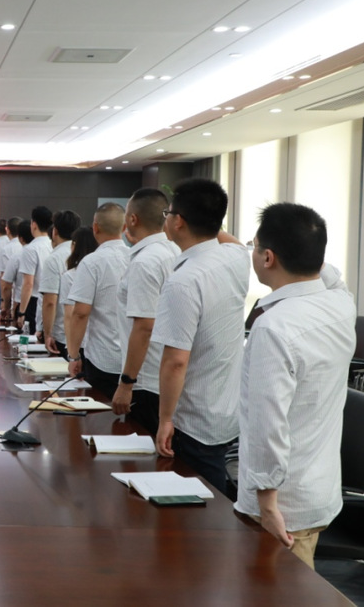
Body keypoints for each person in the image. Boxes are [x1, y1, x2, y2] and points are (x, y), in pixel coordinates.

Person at [234, 203, 356, 569]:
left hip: (282, 507)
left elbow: (268, 424)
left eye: (254, 245)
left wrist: (267, 505)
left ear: (267, 257)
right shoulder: (341, 303)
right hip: (317, 489)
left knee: (278, 591)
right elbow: (330, 275)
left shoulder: (274, 327)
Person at [152, 178, 250, 494]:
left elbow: (176, 361)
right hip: (227, 406)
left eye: (168, 213)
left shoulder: (183, 281)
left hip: (194, 416)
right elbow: (230, 240)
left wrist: (165, 419)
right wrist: (210, 221)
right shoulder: (236, 257)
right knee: (213, 494)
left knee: (198, 500)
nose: (165, 219)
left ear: (178, 221)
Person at [111, 189, 181, 437]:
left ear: (132, 219)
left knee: (143, 450)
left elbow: (144, 326)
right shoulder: (175, 251)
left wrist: (126, 383)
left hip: (146, 379)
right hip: (166, 375)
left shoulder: (145, 262)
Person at [65, 203, 128, 397]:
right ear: (125, 227)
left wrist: (73, 355)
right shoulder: (137, 258)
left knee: (99, 411)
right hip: (135, 359)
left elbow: (80, 313)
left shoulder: (92, 262)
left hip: (103, 358)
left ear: (95, 227)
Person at [40, 211, 82, 356]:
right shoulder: (85, 254)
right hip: (82, 333)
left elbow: (50, 302)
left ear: (55, 231)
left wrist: (47, 334)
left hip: (62, 333)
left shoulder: (54, 259)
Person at [17, 206, 53, 333]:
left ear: (34, 225)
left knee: (31, 340)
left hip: (33, 302)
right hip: (52, 300)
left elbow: (28, 284)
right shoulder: (53, 245)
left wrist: (21, 312)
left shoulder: (30, 249)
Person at [0, 219, 31, 326]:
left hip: (21, 303)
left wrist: (6, 307)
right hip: (41, 302)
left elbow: (6, 285)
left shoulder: (17, 256)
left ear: (20, 238)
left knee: (21, 333)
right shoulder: (47, 251)